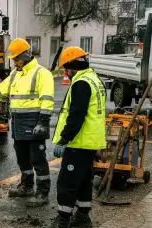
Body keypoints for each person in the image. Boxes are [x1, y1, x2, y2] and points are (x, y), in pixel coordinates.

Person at [0, 38, 54, 207]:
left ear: (26, 55)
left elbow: (47, 100)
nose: (15, 62)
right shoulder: (15, 74)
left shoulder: (41, 73)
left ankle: (42, 193)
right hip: (19, 124)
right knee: (23, 159)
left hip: (35, 123)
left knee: (38, 160)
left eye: (16, 58)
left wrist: (43, 122)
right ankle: (27, 186)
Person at [51, 46, 106, 228]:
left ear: (74, 65)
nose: (66, 72)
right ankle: (82, 218)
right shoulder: (94, 79)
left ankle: (63, 220)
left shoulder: (81, 83)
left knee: (67, 182)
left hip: (79, 142)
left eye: (67, 67)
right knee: (84, 181)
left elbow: (76, 115)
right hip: (90, 142)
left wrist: (64, 139)